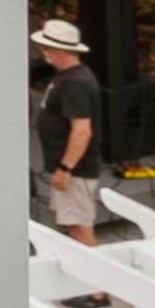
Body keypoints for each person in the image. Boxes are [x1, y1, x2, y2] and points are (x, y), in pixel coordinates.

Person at [31, 16, 106, 239]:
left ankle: (96, 272)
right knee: (72, 222)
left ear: (58, 50)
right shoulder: (67, 78)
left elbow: (82, 130)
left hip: (76, 170)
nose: (44, 52)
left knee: (79, 226)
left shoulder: (75, 84)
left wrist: (66, 168)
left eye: (46, 47)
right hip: (69, 168)